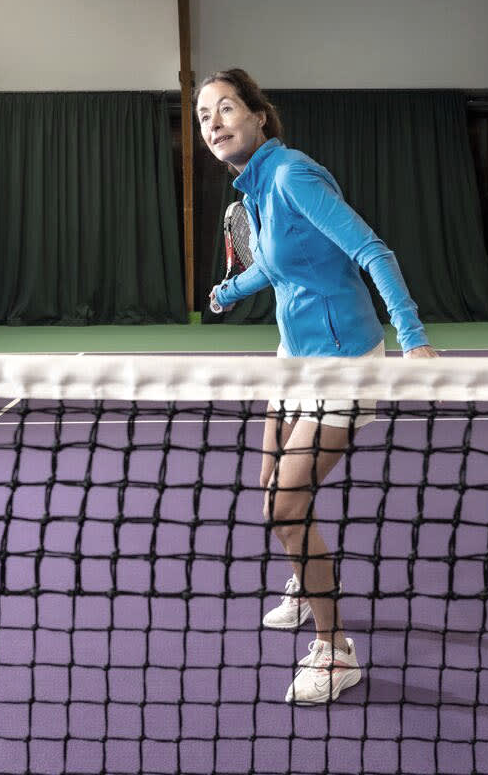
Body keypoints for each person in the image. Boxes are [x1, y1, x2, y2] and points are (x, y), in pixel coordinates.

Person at [197, 68, 438, 706]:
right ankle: (306, 583)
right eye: (203, 117)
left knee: (283, 504)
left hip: (343, 365)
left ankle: (337, 651)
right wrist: (231, 290)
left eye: (225, 109)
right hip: (293, 358)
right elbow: (277, 265)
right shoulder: (253, 190)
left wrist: (412, 337)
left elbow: (371, 251)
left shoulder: (291, 174)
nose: (214, 123)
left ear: (258, 117)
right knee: (270, 491)